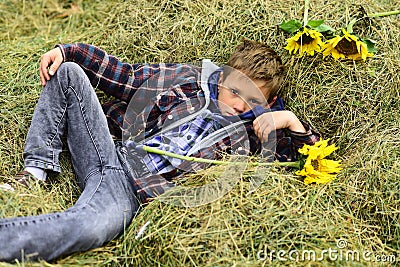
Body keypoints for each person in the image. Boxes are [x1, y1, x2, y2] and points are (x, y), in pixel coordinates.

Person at [0, 40, 320, 262]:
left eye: (251, 100)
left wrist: (291, 122)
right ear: (222, 76)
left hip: (130, 192)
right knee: (70, 72)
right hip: (112, 151)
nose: (238, 104)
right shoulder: (186, 81)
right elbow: (125, 76)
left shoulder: (257, 135)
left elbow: (306, 166)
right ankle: (35, 171)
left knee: (88, 227)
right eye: (235, 91)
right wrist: (67, 51)